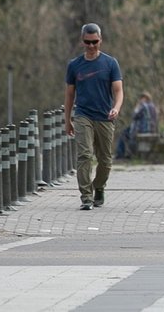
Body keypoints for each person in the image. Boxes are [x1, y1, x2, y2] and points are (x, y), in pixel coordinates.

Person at [63, 23, 124, 210]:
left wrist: (116, 108)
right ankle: (86, 197)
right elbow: (69, 94)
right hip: (83, 115)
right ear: (82, 41)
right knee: (85, 155)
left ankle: (98, 187)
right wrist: (68, 120)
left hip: (105, 116)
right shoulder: (74, 66)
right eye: (87, 42)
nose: (91, 46)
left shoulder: (110, 63)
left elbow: (119, 90)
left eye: (95, 42)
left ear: (100, 40)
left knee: (105, 160)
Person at [115, 91, 158, 159]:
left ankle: (121, 154)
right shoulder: (153, 106)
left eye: (141, 98)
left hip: (143, 129)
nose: (140, 100)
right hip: (152, 129)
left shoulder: (143, 106)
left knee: (124, 134)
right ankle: (128, 153)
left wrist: (137, 106)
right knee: (127, 132)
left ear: (144, 98)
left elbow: (134, 115)